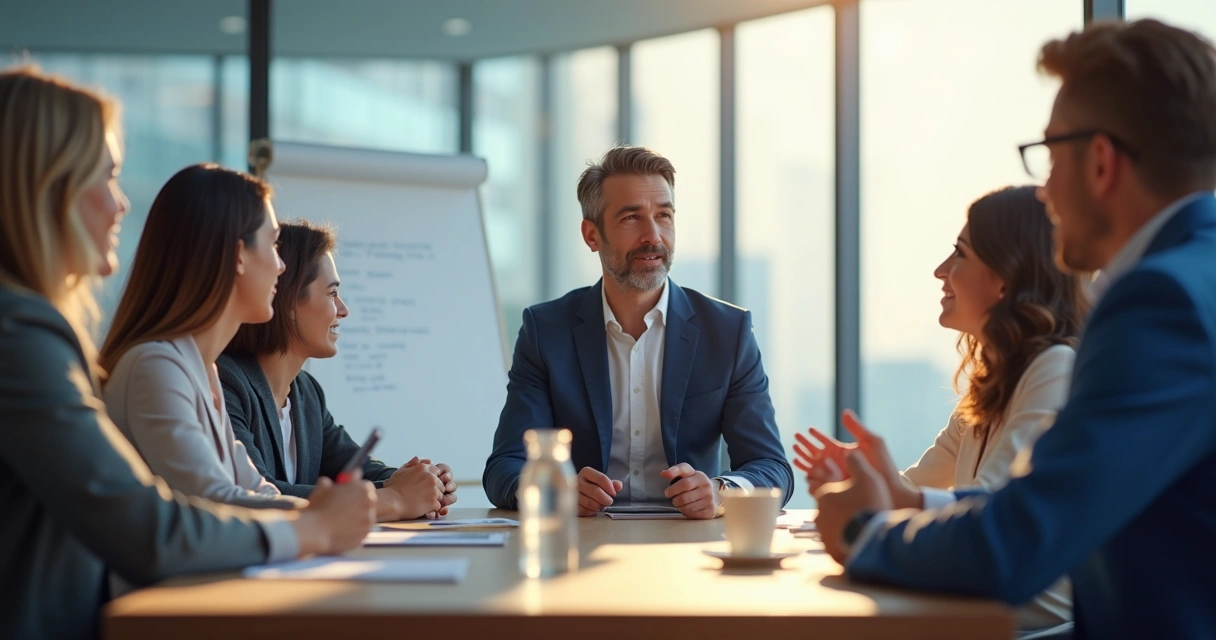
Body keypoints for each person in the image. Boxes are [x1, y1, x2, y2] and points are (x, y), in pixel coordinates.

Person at [812, 19, 1216, 639]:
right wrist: (900, 505)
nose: (1045, 190)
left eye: (1050, 155)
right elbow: (1052, 499)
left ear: (1102, 163)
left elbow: (1019, 541)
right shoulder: (1195, 277)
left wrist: (862, 532)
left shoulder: (1161, 303)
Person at [0, 67, 375, 640]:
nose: (121, 204)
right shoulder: (21, 336)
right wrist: (315, 529)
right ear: (49, 185)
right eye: (107, 176)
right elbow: (148, 525)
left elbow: (247, 494)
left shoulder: (39, 332)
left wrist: (326, 518)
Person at [794, 186, 1086, 633]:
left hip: (1018, 625)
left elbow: (990, 508)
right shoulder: (993, 380)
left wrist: (883, 496)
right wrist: (862, 482)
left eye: (960, 255)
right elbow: (919, 489)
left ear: (1005, 278)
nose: (940, 271)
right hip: (974, 606)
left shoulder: (1054, 369)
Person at [483, 145, 793, 518]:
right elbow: (505, 468)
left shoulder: (727, 332)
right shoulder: (546, 331)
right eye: (631, 218)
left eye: (664, 215)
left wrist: (721, 491)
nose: (653, 236)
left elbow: (772, 468)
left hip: (688, 547)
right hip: (583, 543)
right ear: (592, 235)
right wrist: (557, 490)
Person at [97, 164, 309, 509]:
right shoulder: (156, 367)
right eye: (273, 245)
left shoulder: (202, 369)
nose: (281, 265)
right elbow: (217, 504)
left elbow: (259, 492)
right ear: (239, 255)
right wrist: (358, 509)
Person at [219, 219, 456, 521]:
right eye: (332, 294)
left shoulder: (306, 393)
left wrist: (421, 480)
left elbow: (354, 467)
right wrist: (396, 495)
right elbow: (260, 495)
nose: (343, 309)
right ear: (289, 301)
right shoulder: (227, 384)